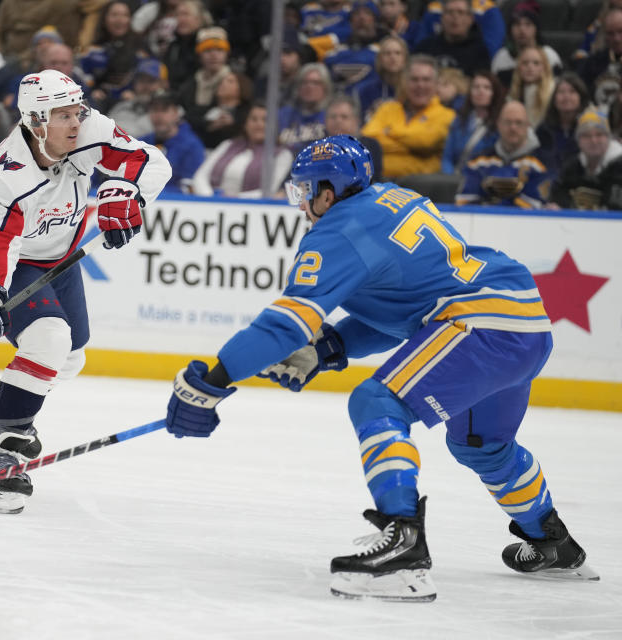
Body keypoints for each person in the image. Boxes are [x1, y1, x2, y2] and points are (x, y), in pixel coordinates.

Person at [163, 134, 598, 602]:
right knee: (482, 445)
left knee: (375, 400)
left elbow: (285, 325)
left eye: (304, 190)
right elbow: (409, 316)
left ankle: (403, 546)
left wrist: (213, 381)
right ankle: (555, 542)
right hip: (525, 321)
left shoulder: (336, 232)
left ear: (326, 193)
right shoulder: (396, 199)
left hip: (480, 325)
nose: (302, 202)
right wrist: (327, 349)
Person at [0, 69, 170, 514]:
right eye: (62, 115)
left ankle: (2, 401)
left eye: (77, 110)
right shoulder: (8, 176)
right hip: (10, 261)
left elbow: (152, 162)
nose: (76, 122)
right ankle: (2, 461)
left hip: (59, 256)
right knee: (50, 338)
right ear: (36, 122)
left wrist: (126, 192)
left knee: (71, 355)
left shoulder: (89, 130)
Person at [361, 54, 455, 177]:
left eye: (426, 80)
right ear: (404, 82)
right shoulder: (387, 108)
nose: (420, 85)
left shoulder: (447, 115)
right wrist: (410, 147)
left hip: (422, 187)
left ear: (436, 84)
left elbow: (424, 142)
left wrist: (389, 132)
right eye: (414, 79)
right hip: (380, 183)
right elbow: (368, 140)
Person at [456, 100, 551, 208]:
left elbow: (534, 205)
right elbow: (465, 202)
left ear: (527, 126)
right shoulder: (478, 162)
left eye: (518, 122)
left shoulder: (540, 164)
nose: (513, 128)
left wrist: (492, 205)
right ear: (498, 124)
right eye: (507, 122)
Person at [191, 102, 294, 198]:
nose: (259, 124)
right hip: (212, 203)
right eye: (253, 119)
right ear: (245, 124)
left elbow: (270, 190)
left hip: (249, 209)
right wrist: (210, 197)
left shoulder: (282, 154)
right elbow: (201, 176)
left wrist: (233, 201)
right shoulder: (227, 145)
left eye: (265, 120)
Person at [549, 107, 622, 210]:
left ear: (609, 138)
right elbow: (558, 195)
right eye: (586, 136)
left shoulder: (619, 165)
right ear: (578, 141)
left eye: (599, 135)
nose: (593, 140)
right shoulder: (572, 167)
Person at [140, 90, 205, 193]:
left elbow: (189, 188)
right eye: (154, 110)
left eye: (164, 110)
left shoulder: (192, 146)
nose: (159, 116)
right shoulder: (140, 143)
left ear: (176, 113)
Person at [441, 69, 504, 174]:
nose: (480, 91)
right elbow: (447, 157)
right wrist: (451, 178)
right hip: (455, 179)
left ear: (494, 93)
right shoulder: (459, 120)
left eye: (486, 88)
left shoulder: (500, 124)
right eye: (476, 87)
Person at [489, 2, 561, 88]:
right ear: (510, 29)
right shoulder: (501, 57)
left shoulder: (549, 55)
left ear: (536, 29)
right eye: (517, 24)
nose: (522, 29)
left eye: (528, 24)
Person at [414, 0, 491, 77]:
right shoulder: (425, 47)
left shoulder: (480, 53)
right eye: (450, 12)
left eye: (460, 12)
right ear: (442, 18)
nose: (455, 17)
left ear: (470, 19)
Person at [535, 73, 592, 174]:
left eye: (572, 92)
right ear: (554, 98)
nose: (566, 97)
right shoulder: (543, 130)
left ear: (581, 97)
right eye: (561, 92)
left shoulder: (590, 129)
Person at [323, 94, 383, 179]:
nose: (338, 121)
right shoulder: (316, 147)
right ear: (325, 121)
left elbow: (374, 178)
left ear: (356, 121)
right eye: (333, 117)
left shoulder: (371, 145)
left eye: (344, 117)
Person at [277, 62, 332, 154]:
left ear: (325, 87)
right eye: (304, 82)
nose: (309, 86)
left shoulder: (333, 115)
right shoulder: (283, 114)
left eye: (315, 83)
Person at [509, 45, 555, 128]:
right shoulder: (512, 95)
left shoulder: (553, 92)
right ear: (519, 67)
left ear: (544, 67)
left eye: (536, 63)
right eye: (525, 63)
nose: (530, 67)